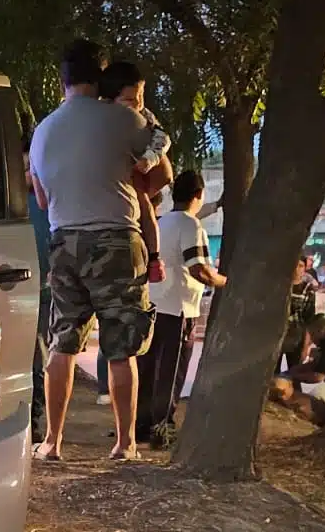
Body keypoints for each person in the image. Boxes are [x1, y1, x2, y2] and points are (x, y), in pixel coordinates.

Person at [29, 38, 167, 462]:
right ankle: (125, 444)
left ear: (63, 81)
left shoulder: (42, 131)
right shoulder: (122, 118)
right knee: (121, 347)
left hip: (64, 240)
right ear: (101, 77)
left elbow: (41, 201)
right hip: (116, 240)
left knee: (63, 343)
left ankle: (52, 442)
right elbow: (161, 176)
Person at [136, 169, 225, 446]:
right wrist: (224, 282)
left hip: (154, 304)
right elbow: (198, 268)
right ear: (198, 195)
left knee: (148, 368)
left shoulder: (161, 222)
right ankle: (162, 428)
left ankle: (141, 425)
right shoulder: (190, 225)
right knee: (171, 371)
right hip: (179, 308)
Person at [98, 60, 172, 284]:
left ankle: (155, 257)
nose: (138, 103)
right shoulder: (104, 118)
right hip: (121, 180)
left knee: (145, 206)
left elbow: (162, 138)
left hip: (138, 172)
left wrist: (149, 159)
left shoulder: (144, 118)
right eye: (130, 99)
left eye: (141, 96)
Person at [23, 135, 53, 441]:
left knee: (37, 360)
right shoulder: (13, 204)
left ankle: (35, 422)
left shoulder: (46, 202)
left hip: (41, 293)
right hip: (13, 289)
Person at [280, 257, 319, 373]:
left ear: (305, 268)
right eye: (295, 265)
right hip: (277, 337)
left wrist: (305, 347)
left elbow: (309, 320)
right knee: (272, 375)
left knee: (294, 375)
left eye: (301, 266)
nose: (297, 269)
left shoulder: (307, 290)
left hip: (297, 338)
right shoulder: (281, 287)